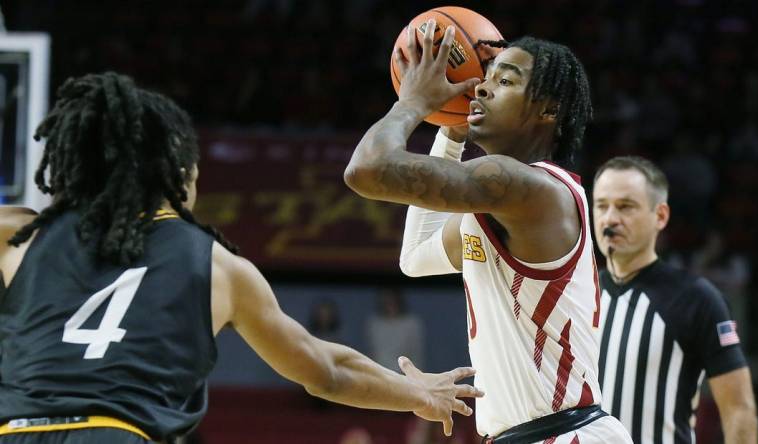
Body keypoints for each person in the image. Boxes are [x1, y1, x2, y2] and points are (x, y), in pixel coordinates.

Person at [0, 72, 483, 444]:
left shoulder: (20, 234)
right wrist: (420, 393)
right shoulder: (217, 266)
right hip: (120, 432)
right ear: (182, 173)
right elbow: (325, 369)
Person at [345, 21, 631, 443]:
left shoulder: (530, 188)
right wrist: (450, 132)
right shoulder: (502, 205)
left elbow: (366, 170)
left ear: (548, 110)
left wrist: (414, 102)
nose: (480, 88)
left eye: (505, 80)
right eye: (486, 76)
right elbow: (416, 256)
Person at [592, 156, 758, 444]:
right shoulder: (576, 294)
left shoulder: (697, 298)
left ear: (661, 216)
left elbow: (738, 409)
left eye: (625, 206)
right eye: (601, 206)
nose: (610, 219)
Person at [367, 287, 425, 371]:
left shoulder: (411, 323)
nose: (389, 303)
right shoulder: (374, 324)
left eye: (392, 299)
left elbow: (416, 354)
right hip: (381, 374)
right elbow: (373, 352)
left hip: (404, 375)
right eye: (386, 300)